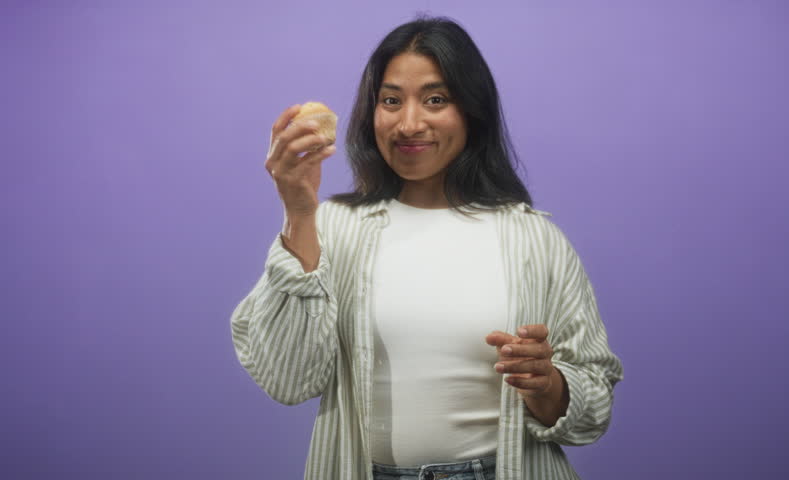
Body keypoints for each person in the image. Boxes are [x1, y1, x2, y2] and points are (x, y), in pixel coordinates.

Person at [230, 16, 623, 480]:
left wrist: (548, 386)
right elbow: (289, 379)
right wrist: (299, 213)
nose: (409, 123)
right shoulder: (330, 227)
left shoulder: (535, 240)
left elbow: (595, 405)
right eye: (391, 101)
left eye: (436, 100)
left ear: (471, 113)